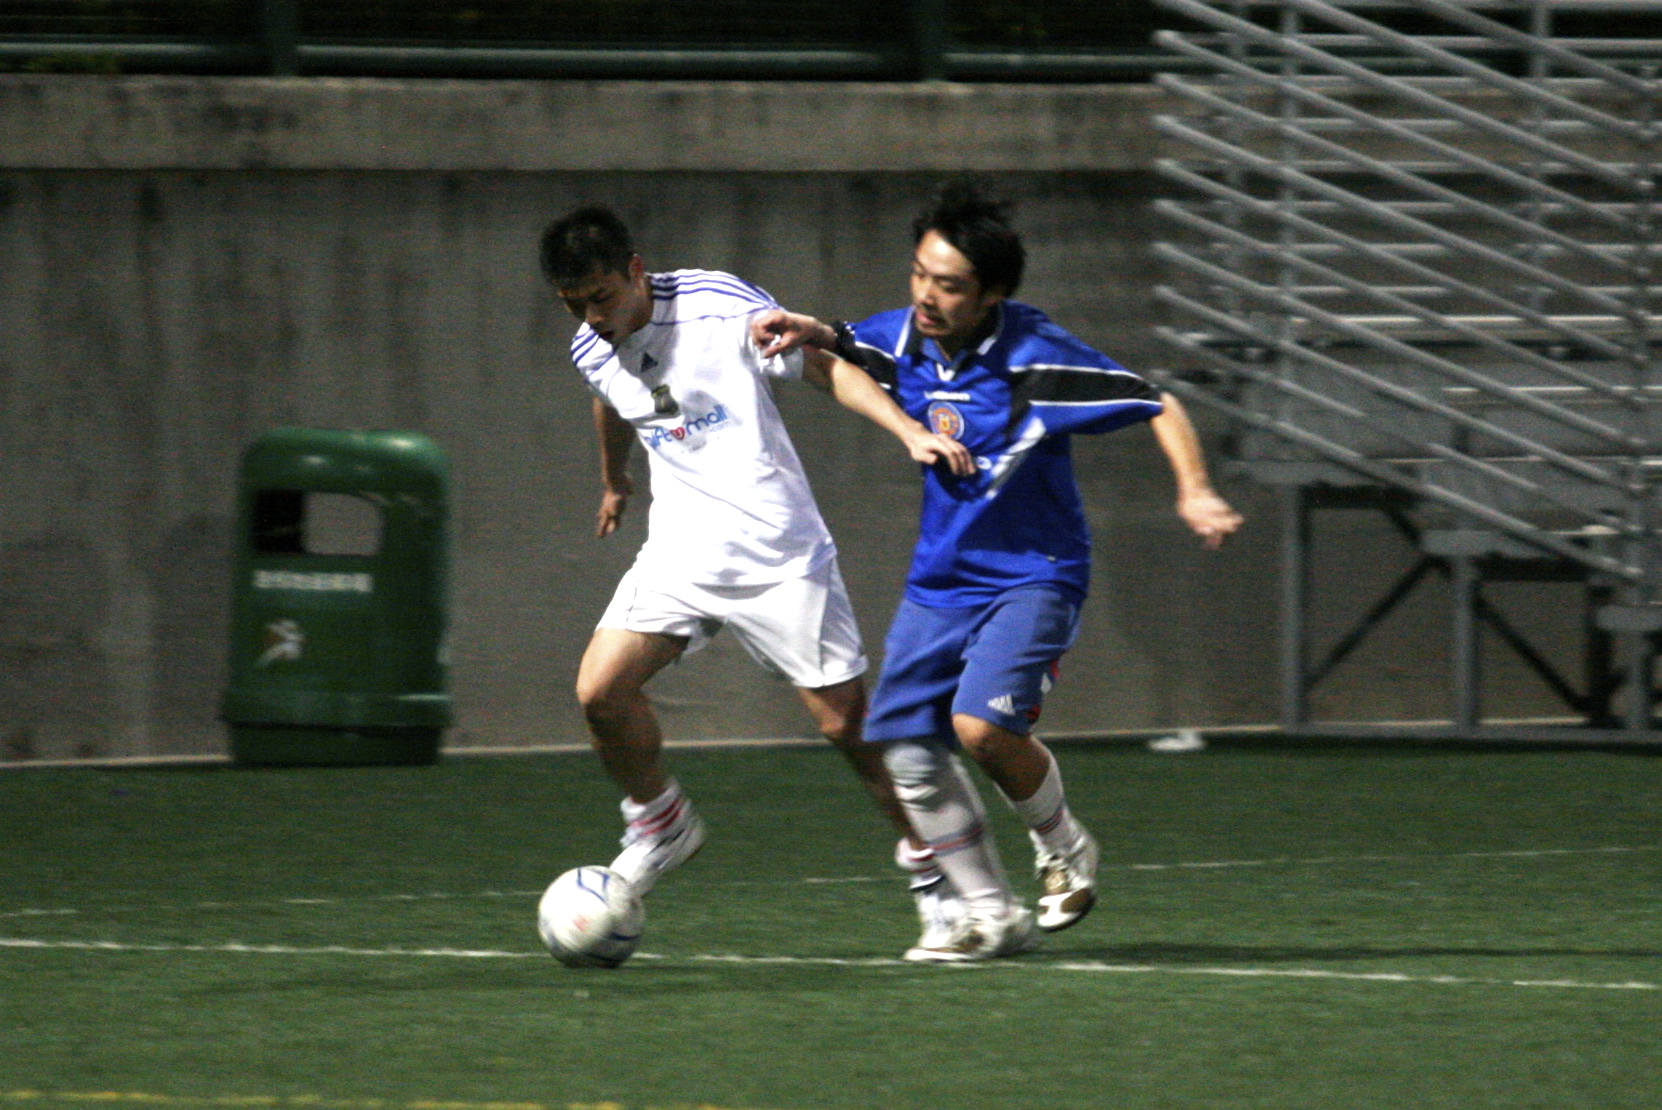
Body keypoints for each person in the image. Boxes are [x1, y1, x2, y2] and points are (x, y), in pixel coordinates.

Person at [752, 181, 1244, 962]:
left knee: (979, 727)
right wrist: (811, 329)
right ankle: (989, 913)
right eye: (919, 274)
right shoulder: (907, 338)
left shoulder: (1036, 358)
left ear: (993, 295)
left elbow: (1159, 403)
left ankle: (1064, 845)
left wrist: (1196, 489)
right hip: (940, 581)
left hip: (1035, 575)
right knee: (906, 749)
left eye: (947, 285)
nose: (926, 295)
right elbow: (849, 343)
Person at [539, 206, 978, 953]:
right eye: (576, 304)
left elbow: (822, 366)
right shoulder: (593, 342)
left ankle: (937, 878)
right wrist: (616, 481)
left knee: (847, 725)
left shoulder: (717, 305)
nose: (594, 317)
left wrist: (909, 431)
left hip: (776, 550)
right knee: (600, 692)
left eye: (604, 296)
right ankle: (660, 821)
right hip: (681, 549)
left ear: (637, 270)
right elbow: (607, 394)